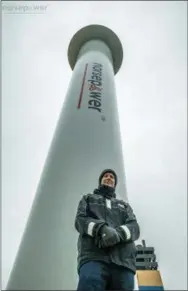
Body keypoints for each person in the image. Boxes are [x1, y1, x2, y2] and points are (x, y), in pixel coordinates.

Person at [74, 169, 140, 291]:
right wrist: (101, 229)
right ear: (100, 181)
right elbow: (80, 220)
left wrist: (117, 234)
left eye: (112, 177)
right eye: (105, 176)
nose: (109, 178)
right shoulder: (88, 199)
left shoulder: (124, 206)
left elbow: (134, 228)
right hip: (93, 257)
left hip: (123, 263)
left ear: (115, 183)